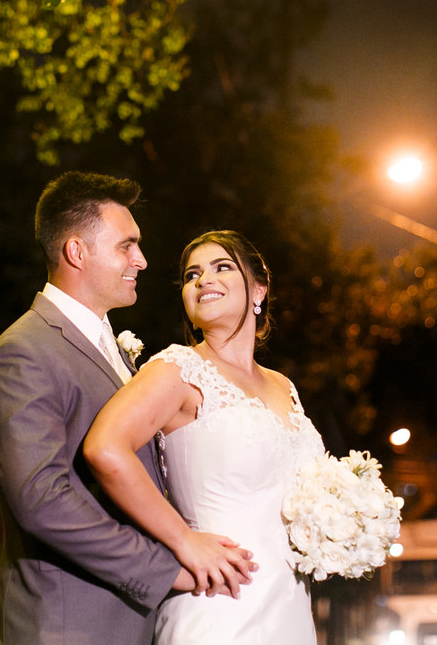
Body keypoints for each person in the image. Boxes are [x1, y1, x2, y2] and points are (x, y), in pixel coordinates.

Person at [0, 173, 256, 645]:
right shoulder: (24, 352)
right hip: (72, 626)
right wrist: (166, 568)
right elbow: (41, 500)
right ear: (76, 252)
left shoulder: (115, 351)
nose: (141, 260)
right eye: (127, 246)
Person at [85, 229, 327, 644]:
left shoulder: (284, 386)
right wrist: (183, 541)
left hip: (290, 610)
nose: (203, 280)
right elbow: (104, 448)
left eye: (222, 267)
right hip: (220, 605)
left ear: (259, 290)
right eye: (192, 275)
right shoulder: (177, 368)